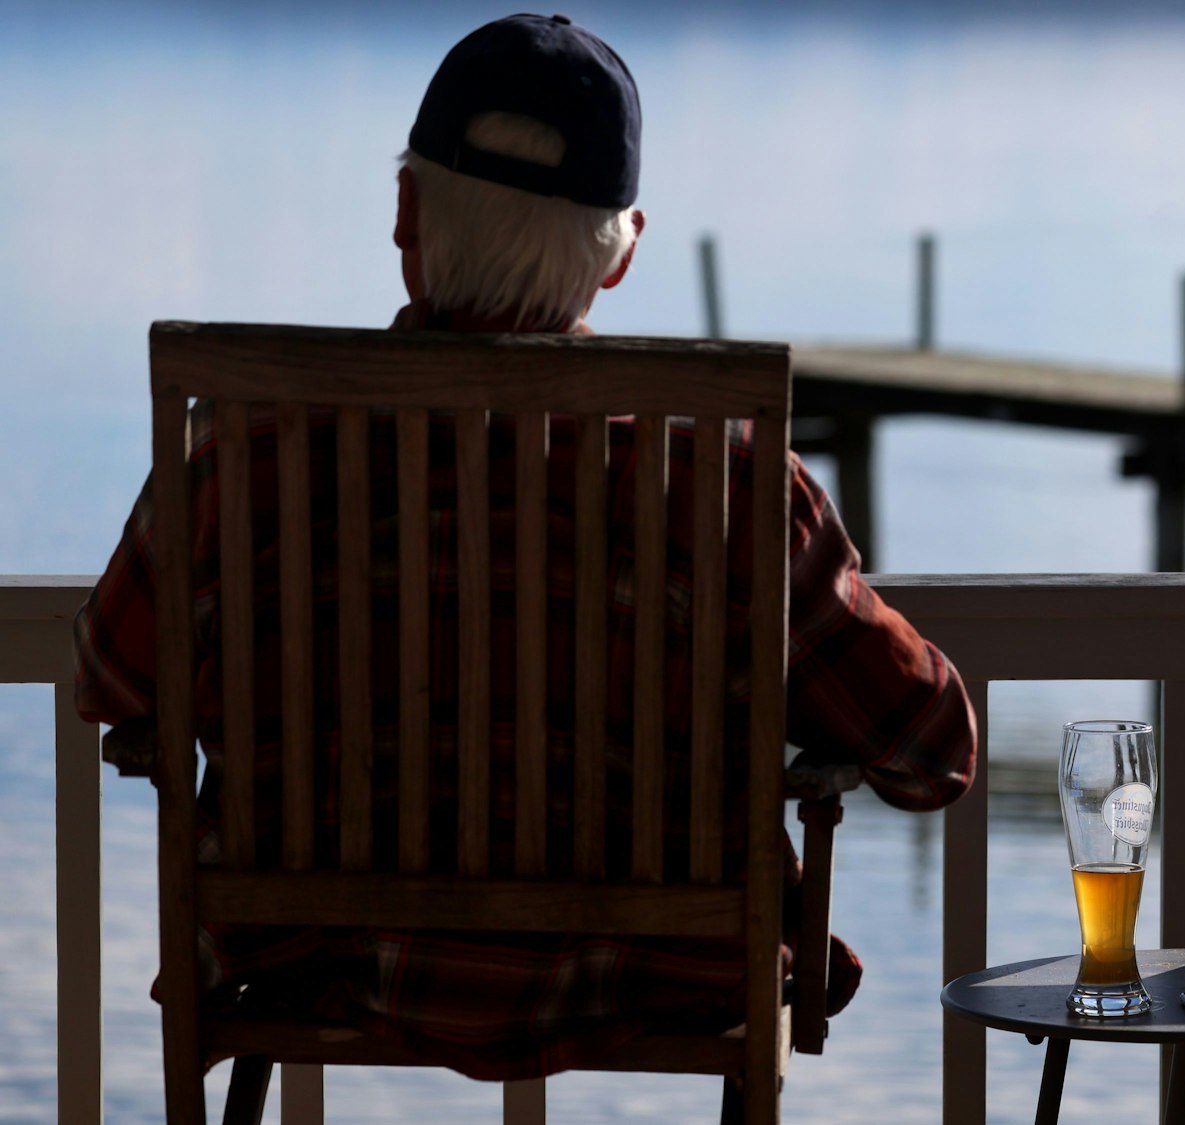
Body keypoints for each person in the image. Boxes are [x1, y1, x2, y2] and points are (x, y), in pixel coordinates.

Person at [72, 13, 977, 1081]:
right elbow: (930, 752)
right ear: (620, 257)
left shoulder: (244, 446)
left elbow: (109, 678)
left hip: (318, 957)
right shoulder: (724, 472)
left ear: (404, 213)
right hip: (655, 973)